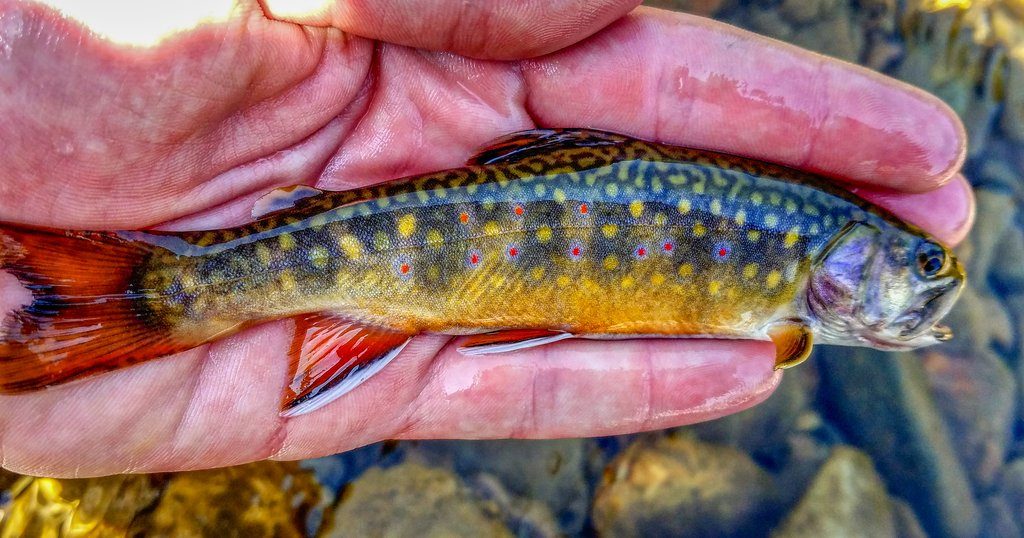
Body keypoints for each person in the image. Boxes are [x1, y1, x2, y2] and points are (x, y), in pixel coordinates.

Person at [0, 0, 974, 478]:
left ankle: (136, 300)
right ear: (848, 259)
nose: (931, 285)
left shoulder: (789, 269)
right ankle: (154, 294)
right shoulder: (783, 293)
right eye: (919, 267)